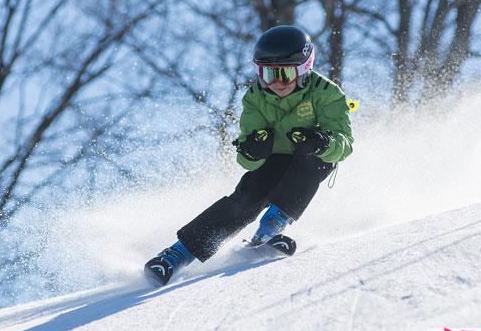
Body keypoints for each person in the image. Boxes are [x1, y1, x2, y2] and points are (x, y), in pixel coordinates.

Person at [144, 25, 354, 286]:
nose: (275, 83)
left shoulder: (326, 93)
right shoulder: (255, 98)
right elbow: (246, 159)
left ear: (303, 70)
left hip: (311, 157)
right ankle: (177, 255)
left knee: (313, 161)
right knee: (248, 196)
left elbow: (345, 144)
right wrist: (253, 150)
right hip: (274, 159)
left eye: (285, 74)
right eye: (267, 74)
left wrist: (322, 142)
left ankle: (270, 228)